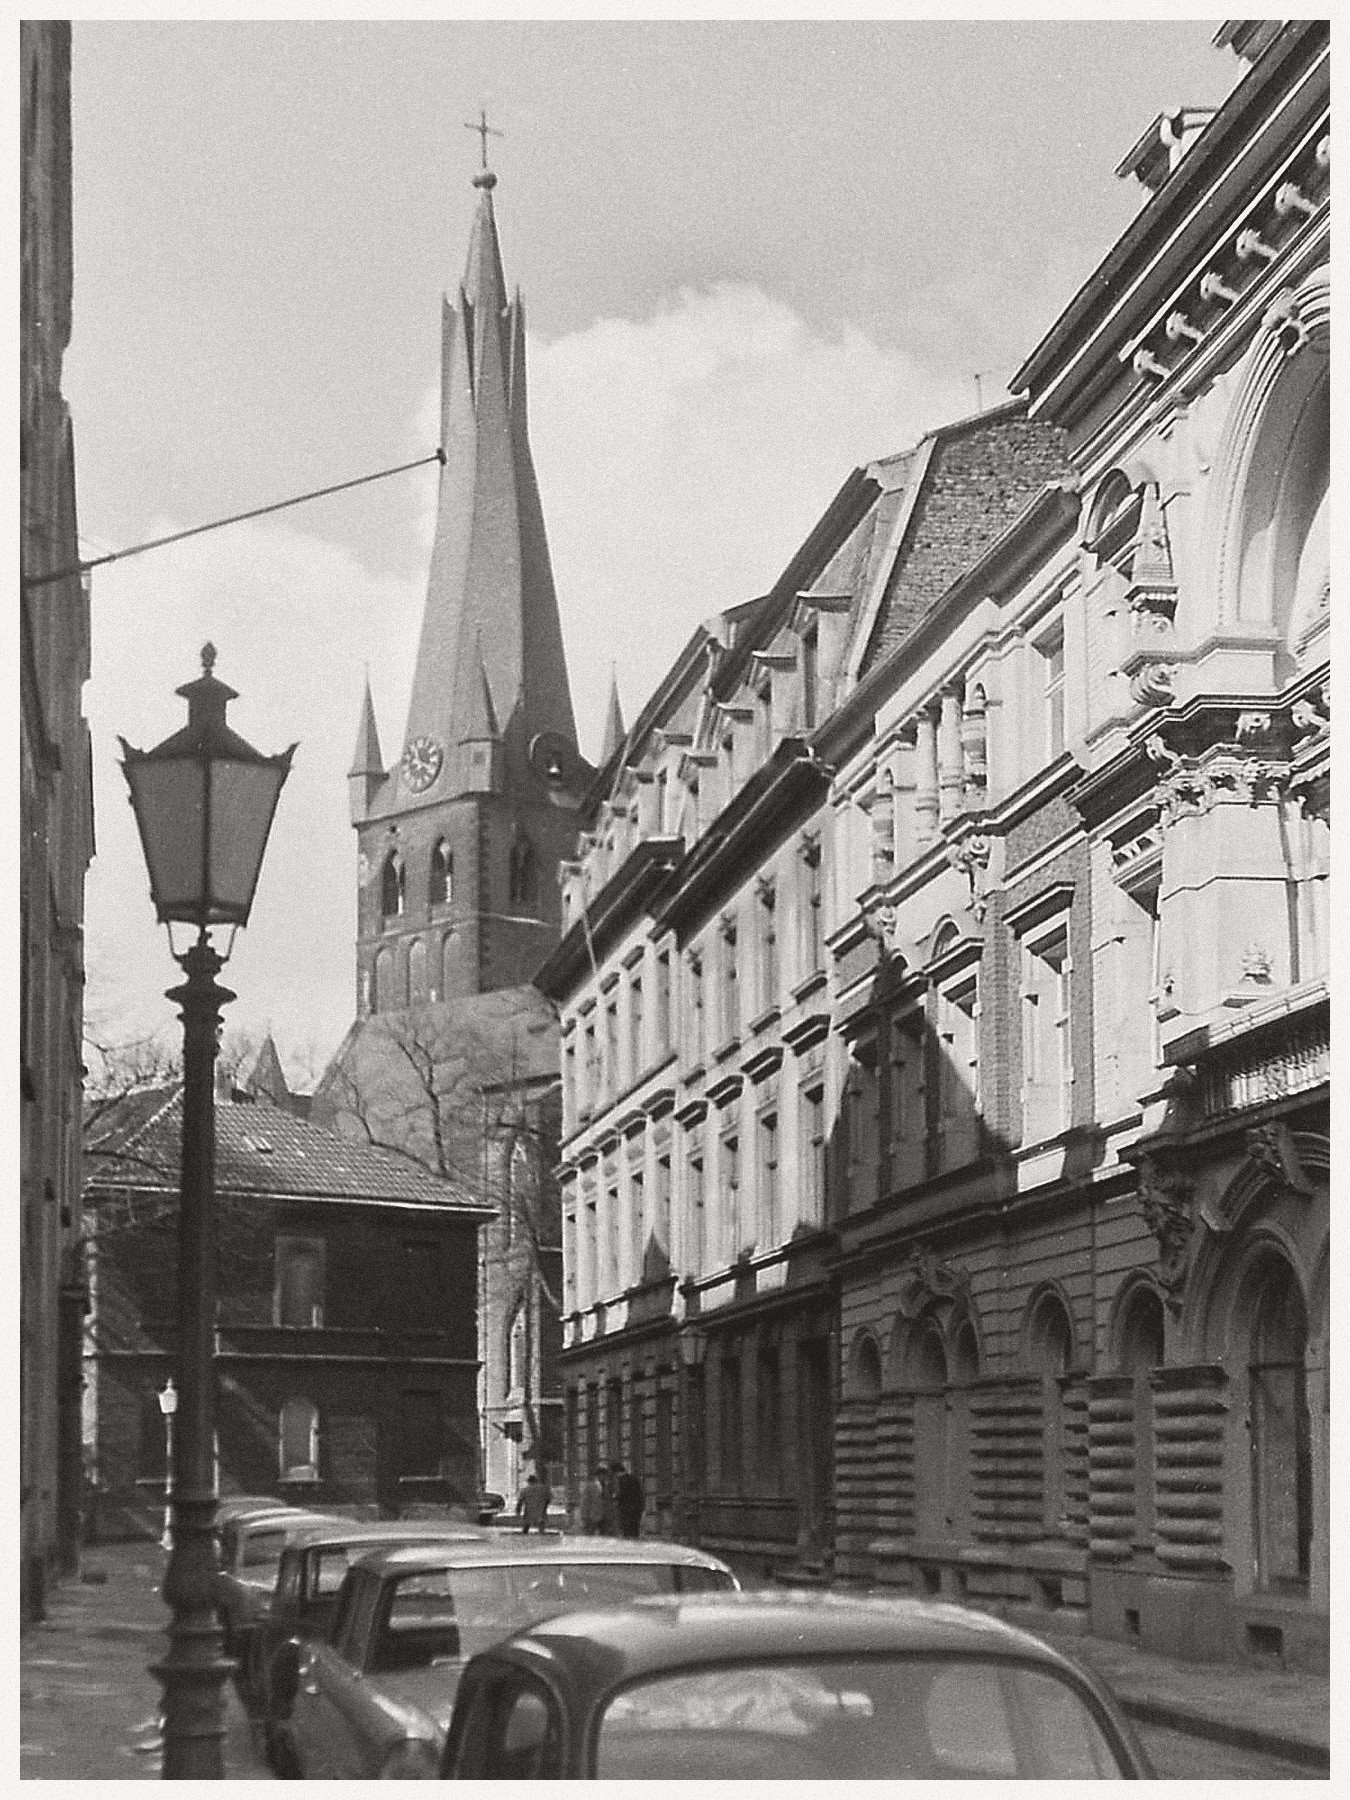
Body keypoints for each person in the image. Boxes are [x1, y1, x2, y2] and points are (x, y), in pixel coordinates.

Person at [615, 1462, 645, 1539]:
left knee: (627, 1531)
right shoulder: (634, 1479)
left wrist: (615, 1497)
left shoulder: (622, 1480)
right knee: (634, 1530)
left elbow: (622, 1495)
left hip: (626, 1510)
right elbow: (640, 1494)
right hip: (636, 1510)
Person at [516, 1469, 551, 1533]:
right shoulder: (543, 1489)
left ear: (529, 1482)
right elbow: (548, 1499)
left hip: (529, 1511)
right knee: (541, 1525)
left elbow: (520, 1502)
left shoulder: (525, 1490)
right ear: (536, 1481)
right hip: (541, 1510)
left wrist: (518, 1511)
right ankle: (542, 1535)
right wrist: (545, 1506)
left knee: (526, 1527)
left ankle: (525, 1536)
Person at [579, 1467, 605, 1535]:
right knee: (590, 1533)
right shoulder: (591, 1486)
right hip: (591, 1514)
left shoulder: (602, 1485)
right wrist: (585, 1514)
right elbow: (586, 1501)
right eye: (603, 1476)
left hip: (598, 1514)